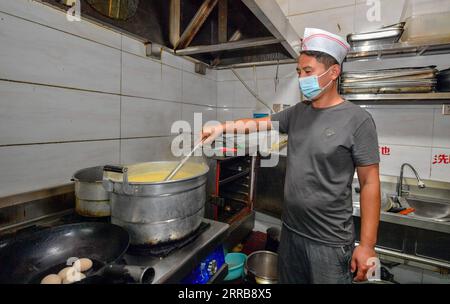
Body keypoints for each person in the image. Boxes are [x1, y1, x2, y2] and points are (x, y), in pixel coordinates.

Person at [201, 28, 381, 284]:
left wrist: (367, 245)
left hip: (329, 243)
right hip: (292, 233)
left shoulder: (358, 120)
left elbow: (370, 183)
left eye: (308, 71)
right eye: (299, 72)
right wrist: (220, 127)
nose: (301, 79)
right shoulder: (297, 112)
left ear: (333, 72)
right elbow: (256, 124)